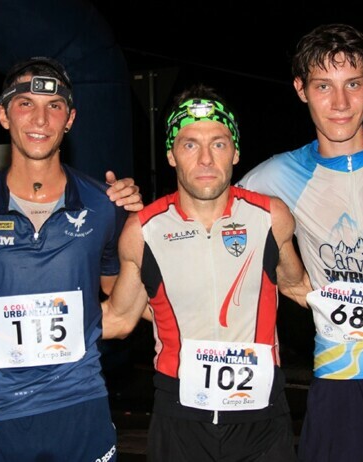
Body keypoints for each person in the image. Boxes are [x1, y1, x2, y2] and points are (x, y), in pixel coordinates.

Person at [0, 56, 143, 462]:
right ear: (3, 114)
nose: (40, 119)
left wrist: (142, 224)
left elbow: (120, 304)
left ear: (70, 119)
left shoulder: (104, 205)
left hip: (80, 405)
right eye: (25, 103)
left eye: (55, 106)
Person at [102, 84, 312, 461]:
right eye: (189, 145)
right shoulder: (143, 230)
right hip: (179, 416)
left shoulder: (271, 216)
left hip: (262, 415)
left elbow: (299, 287)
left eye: (218, 143)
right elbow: (117, 319)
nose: (205, 159)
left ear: (235, 152)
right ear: (171, 155)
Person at [237, 23, 363, 462]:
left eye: (353, 84)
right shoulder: (273, 177)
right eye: (323, 86)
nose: (340, 103)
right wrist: (126, 203)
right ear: (301, 90)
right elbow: (202, 216)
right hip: (341, 375)